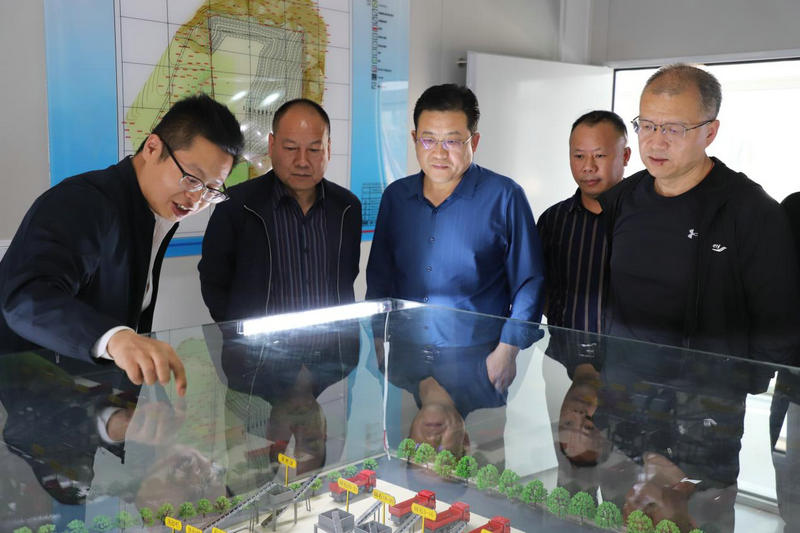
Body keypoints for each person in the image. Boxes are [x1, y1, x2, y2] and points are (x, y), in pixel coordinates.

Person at [0, 94, 244, 395]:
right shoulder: (82, 201)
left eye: (211, 191)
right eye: (192, 178)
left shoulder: (155, 212)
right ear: (152, 148)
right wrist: (114, 338)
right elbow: (25, 298)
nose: (196, 199)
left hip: (85, 400)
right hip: (26, 395)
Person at [599, 63, 800, 366]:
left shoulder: (751, 211)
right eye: (648, 125)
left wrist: (739, 381)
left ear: (710, 132)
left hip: (706, 390)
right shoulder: (622, 198)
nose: (656, 142)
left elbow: (779, 325)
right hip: (621, 382)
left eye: (674, 129)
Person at [366, 84, 545, 391]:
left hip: (478, 359)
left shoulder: (504, 196)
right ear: (414, 138)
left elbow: (529, 282)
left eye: (452, 141)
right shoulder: (396, 197)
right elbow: (380, 277)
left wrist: (507, 351)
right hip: (404, 357)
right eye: (428, 140)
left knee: (474, 427)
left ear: (474, 141)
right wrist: (377, 341)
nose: (438, 153)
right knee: (405, 425)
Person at [198, 98, 362, 322]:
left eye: (314, 149)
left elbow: (347, 277)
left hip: (333, 343)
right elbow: (214, 280)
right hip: (258, 344)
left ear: (329, 149)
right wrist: (238, 331)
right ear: (272, 145)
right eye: (291, 148)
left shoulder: (347, 207)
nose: (302, 161)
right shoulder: (236, 205)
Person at [538, 110, 630, 335]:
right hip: (562, 351)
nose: (588, 166)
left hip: (631, 355)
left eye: (600, 155)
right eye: (579, 156)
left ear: (625, 156)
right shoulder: (553, 220)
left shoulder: (647, 218)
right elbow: (538, 287)